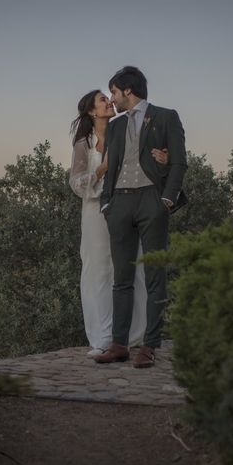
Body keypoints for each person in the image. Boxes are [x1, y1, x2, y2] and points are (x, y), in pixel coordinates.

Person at [94, 66, 187, 368]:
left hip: (152, 201)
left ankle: (150, 344)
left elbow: (179, 163)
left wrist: (166, 200)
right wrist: (107, 204)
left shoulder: (166, 117)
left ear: (128, 91)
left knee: (154, 275)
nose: (112, 99)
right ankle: (119, 344)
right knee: (121, 278)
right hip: (119, 203)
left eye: (115, 92)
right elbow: (113, 165)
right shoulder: (117, 126)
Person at [69, 89, 169, 357]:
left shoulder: (124, 133)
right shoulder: (84, 144)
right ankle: (101, 337)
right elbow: (76, 183)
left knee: (129, 268)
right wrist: (102, 168)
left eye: (109, 97)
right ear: (92, 111)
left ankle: (129, 336)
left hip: (125, 208)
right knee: (98, 269)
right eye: (103, 99)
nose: (109, 102)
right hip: (94, 214)